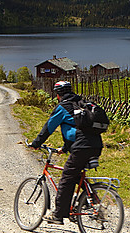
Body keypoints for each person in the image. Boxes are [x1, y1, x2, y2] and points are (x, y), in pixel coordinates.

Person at [28, 80, 102, 224]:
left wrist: (36, 144)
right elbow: (78, 129)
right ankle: (89, 199)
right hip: (96, 145)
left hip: (82, 146)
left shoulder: (63, 107)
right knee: (75, 173)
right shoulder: (81, 104)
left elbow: (48, 128)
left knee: (66, 177)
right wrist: (66, 148)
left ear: (57, 95)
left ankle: (58, 215)